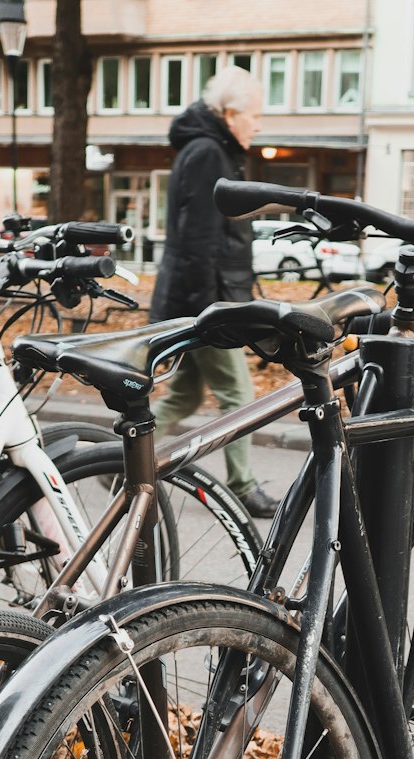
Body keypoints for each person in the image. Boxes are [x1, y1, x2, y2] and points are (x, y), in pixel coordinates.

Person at [150, 66, 279, 519]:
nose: (258, 124)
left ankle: (115, 456)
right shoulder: (208, 153)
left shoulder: (208, 149)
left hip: (202, 295)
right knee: (239, 396)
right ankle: (243, 486)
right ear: (229, 113)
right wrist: (214, 314)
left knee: (183, 396)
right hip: (207, 300)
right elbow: (201, 238)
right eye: (255, 115)